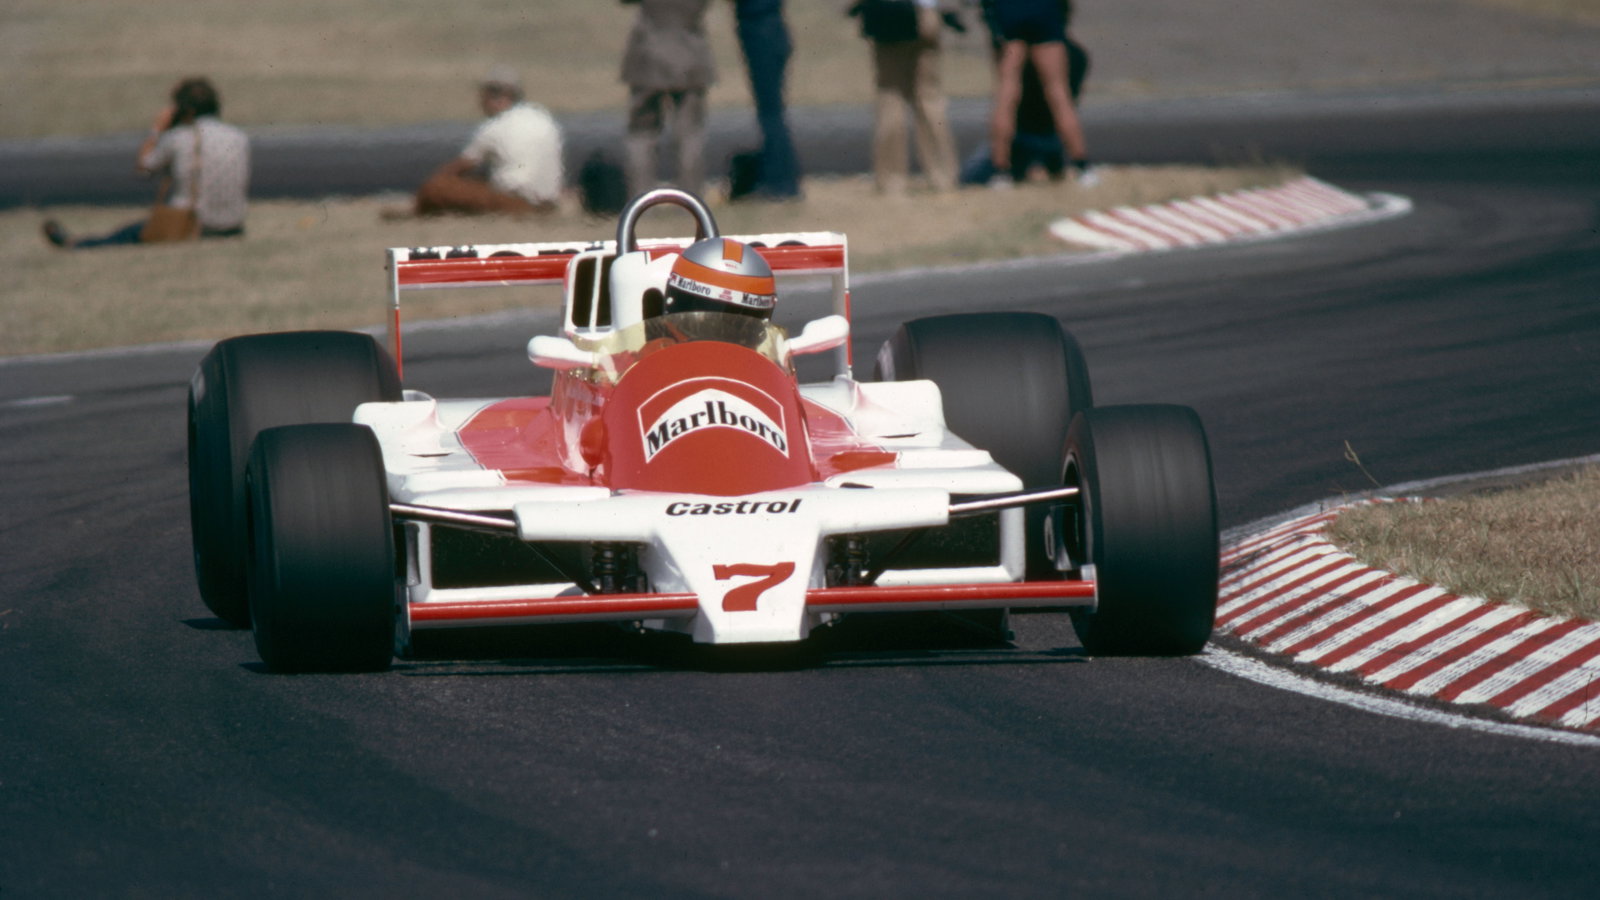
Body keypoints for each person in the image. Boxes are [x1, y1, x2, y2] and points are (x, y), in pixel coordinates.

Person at [42, 77, 250, 249]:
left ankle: (75, 244)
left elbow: (144, 168)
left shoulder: (179, 138)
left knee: (125, 235)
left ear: (184, 109)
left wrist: (157, 130)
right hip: (232, 225)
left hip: (191, 225)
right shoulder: (238, 137)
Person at [960, 1, 1090, 184]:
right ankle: (1081, 166)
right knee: (1057, 91)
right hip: (1043, 10)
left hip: (1009, 11)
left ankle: (1001, 171)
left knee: (1007, 92)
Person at [410, 66, 564, 216]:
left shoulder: (495, 126)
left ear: (494, 96)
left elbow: (461, 166)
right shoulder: (542, 117)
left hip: (518, 202)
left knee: (436, 188)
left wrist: (434, 182)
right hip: (548, 202)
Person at [847, 0, 961, 195]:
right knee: (929, 99)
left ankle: (892, 180)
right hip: (924, 13)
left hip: (888, 14)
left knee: (891, 97)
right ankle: (942, 175)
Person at [620, 0, 716, 199]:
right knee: (690, 134)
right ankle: (691, 199)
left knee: (642, 133)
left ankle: (641, 198)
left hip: (648, 52)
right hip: (690, 53)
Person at [727, 0, 802, 201]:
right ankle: (779, 176)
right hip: (770, 28)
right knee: (772, 113)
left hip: (760, 29)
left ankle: (780, 181)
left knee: (770, 115)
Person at [663, 237, 778, 320]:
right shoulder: (659, 345)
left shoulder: (767, 347)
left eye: (733, 322)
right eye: (706, 310)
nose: (716, 332)